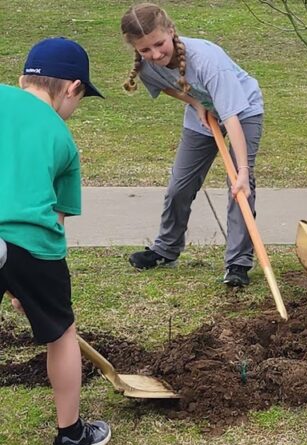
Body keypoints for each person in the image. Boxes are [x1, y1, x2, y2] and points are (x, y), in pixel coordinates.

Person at [0, 37, 111, 445]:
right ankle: (71, 435)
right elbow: (56, 223)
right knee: (61, 334)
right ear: (72, 88)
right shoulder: (65, 143)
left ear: (21, 79)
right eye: (79, 100)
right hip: (32, 242)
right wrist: (29, 287)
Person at [121, 3, 264, 287]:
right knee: (179, 186)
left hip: (242, 111)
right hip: (203, 114)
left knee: (239, 186)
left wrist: (244, 171)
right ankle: (166, 249)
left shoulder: (207, 60)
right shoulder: (147, 65)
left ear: (171, 31)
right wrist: (196, 102)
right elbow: (166, 85)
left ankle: (238, 262)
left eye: (160, 44)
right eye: (145, 50)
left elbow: (232, 117)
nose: (156, 54)